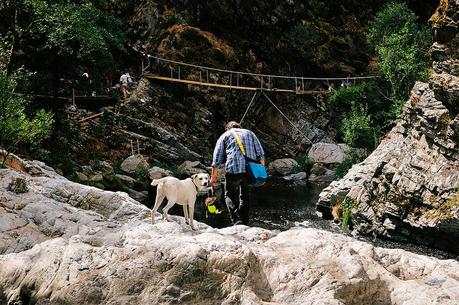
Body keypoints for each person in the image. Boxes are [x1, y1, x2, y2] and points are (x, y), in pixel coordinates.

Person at [211, 121, 265, 226]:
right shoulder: (250, 133)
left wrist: (213, 178)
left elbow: (216, 159)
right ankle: (245, 223)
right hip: (250, 170)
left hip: (233, 169)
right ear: (239, 126)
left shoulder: (225, 135)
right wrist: (261, 170)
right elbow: (261, 154)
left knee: (229, 195)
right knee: (245, 195)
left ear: (227, 128)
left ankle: (236, 220)